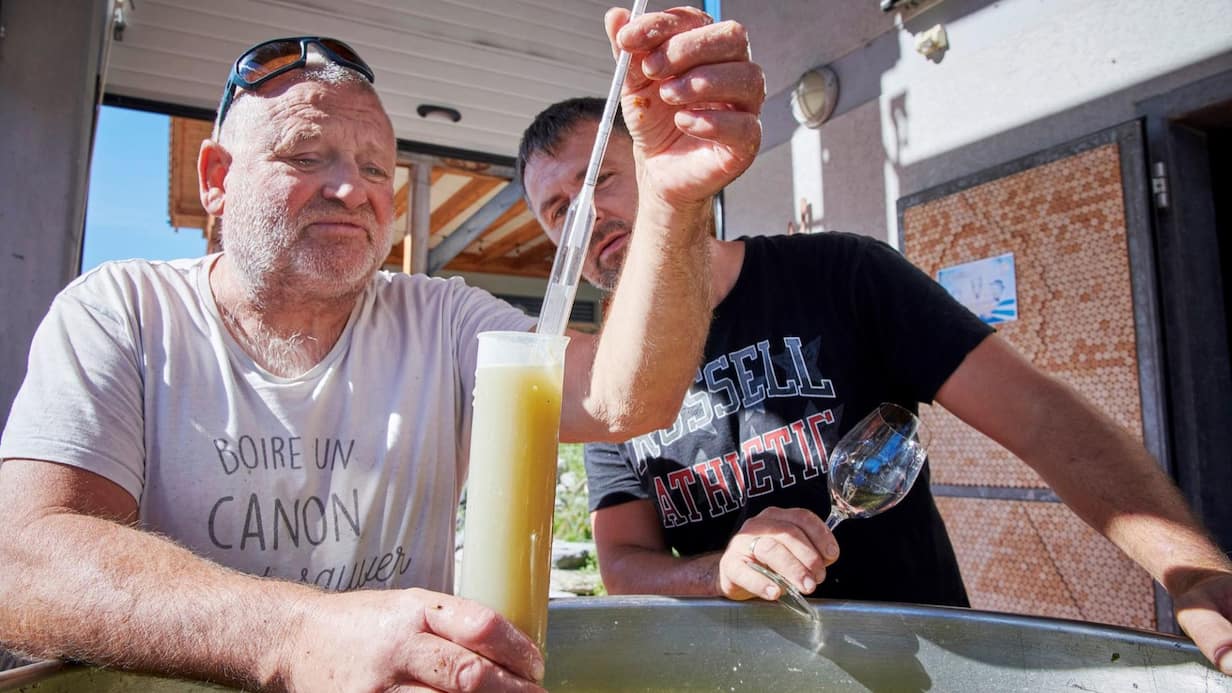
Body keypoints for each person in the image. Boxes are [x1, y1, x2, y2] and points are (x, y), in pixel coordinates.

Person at [0, 8, 764, 692]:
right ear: (217, 177)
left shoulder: (440, 317)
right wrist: (298, 634)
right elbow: (26, 562)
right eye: (307, 155)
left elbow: (626, 396)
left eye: (374, 167)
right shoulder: (123, 311)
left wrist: (672, 200)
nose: (352, 188)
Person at [516, 97, 1232, 674]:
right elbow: (624, 564)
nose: (582, 217)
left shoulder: (844, 276)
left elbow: (1042, 419)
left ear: (656, 160)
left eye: (599, 179)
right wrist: (718, 570)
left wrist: (1192, 573)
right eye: (556, 212)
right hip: (739, 673)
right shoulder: (601, 377)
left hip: (925, 665)